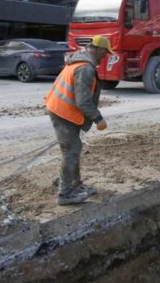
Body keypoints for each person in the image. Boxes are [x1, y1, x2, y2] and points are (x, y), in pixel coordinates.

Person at [45, 36, 113, 205]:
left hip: (63, 110)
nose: (105, 56)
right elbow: (83, 101)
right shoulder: (85, 68)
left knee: (74, 148)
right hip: (63, 112)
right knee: (71, 150)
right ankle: (65, 194)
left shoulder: (80, 62)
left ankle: (75, 185)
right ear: (97, 49)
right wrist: (98, 119)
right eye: (105, 52)